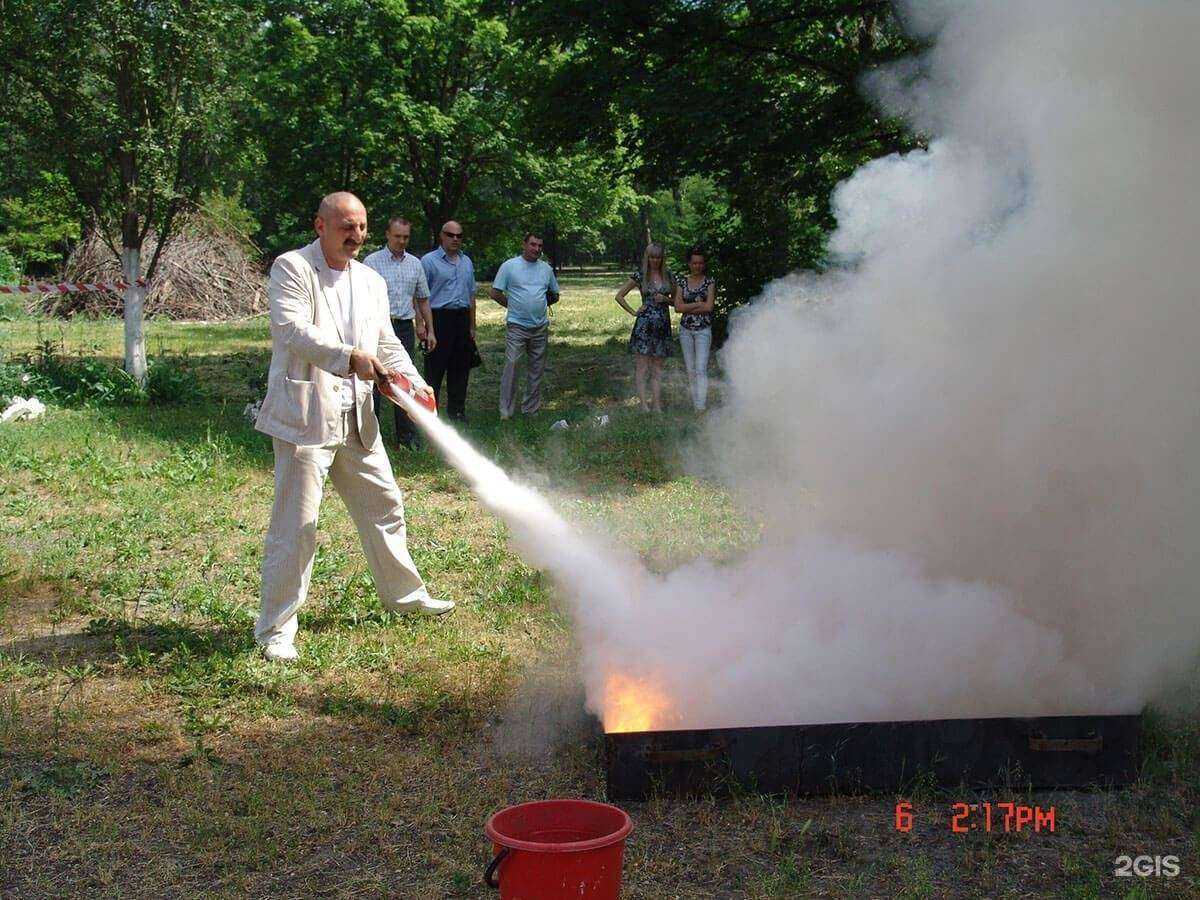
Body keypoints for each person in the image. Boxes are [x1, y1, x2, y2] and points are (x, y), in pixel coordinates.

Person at [254, 191, 454, 662]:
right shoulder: (292, 268)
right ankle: (276, 630)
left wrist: (415, 385)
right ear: (320, 225)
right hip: (307, 418)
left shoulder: (369, 279)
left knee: (385, 503)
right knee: (297, 525)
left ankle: (405, 598)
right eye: (346, 226)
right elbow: (293, 331)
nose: (356, 236)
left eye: (362, 227)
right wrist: (348, 358)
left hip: (358, 418)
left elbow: (385, 342)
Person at [363, 216, 436, 449]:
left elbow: (423, 300)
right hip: (374, 327)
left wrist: (428, 328)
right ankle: (368, 438)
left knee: (404, 383)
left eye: (406, 237)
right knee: (374, 380)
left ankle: (407, 439)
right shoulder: (371, 262)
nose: (401, 241)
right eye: (397, 236)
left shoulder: (415, 263)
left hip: (404, 327)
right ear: (387, 235)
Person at [490, 231, 560, 419]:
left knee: (536, 370)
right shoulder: (510, 266)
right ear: (524, 245)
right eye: (533, 245)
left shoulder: (546, 269)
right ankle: (506, 411)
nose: (536, 249)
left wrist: (541, 303)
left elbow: (555, 294)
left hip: (540, 327)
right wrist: (512, 306)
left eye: (539, 246)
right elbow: (495, 293)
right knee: (511, 366)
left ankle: (531, 409)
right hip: (517, 326)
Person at [421, 220, 476, 421]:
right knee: (435, 369)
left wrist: (472, 326)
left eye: (459, 236)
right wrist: (424, 326)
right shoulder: (428, 261)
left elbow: (471, 296)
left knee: (461, 367)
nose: (455, 239)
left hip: (461, 318)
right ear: (441, 236)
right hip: (438, 318)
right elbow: (420, 296)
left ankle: (457, 411)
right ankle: (430, 414)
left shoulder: (466, 262)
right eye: (450, 235)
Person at [614, 242, 674, 411]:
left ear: (663, 258)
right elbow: (619, 296)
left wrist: (666, 299)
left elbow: (677, 302)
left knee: (657, 368)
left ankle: (656, 404)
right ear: (647, 258)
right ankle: (643, 405)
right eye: (652, 257)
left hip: (662, 326)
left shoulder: (669, 275)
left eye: (658, 257)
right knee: (642, 367)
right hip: (644, 326)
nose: (655, 260)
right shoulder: (640, 275)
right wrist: (634, 312)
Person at [673, 247, 717, 412]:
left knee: (700, 368)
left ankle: (700, 406)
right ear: (689, 263)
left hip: (703, 330)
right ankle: (694, 402)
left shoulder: (709, 282)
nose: (697, 266)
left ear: (703, 264)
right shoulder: (681, 281)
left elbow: (709, 307)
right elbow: (677, 307)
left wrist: (687, 307)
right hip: (685, 330)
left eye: (700, 263)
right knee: (690, 368)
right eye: (694, 263)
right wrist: (698, 304)